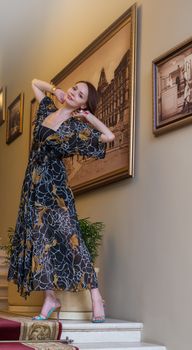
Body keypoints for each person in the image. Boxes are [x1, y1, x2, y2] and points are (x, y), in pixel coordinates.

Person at [7, 79, 115, 323]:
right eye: (74, 88)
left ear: (82, 105)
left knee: (70, 237)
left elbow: (108, 136)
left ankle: (96, 296)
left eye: (79, 95)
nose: (73, 93)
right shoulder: (47, 110)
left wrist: (88, 117)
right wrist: (57, 91)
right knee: (38, 240)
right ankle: (50, 298)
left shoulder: (77, 128)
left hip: (55, 189)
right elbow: (35, 83)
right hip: (33, 185)